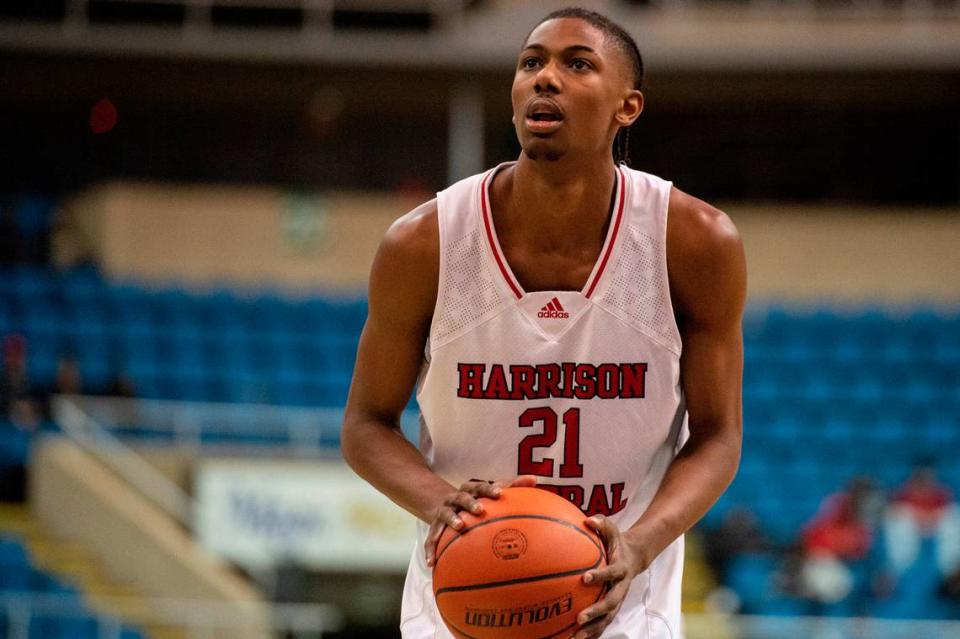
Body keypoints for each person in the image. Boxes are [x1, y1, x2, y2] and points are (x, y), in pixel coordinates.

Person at [341, 7, 746, 638]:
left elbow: (717, 437)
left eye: (576, 64)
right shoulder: (424, 244)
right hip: (464, 599)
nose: (544, 78)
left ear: (627, 106)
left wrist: (641, 544)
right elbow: (365, 425)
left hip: (622, 603)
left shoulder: (693, 242)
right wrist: (438, 503)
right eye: (531, 62)